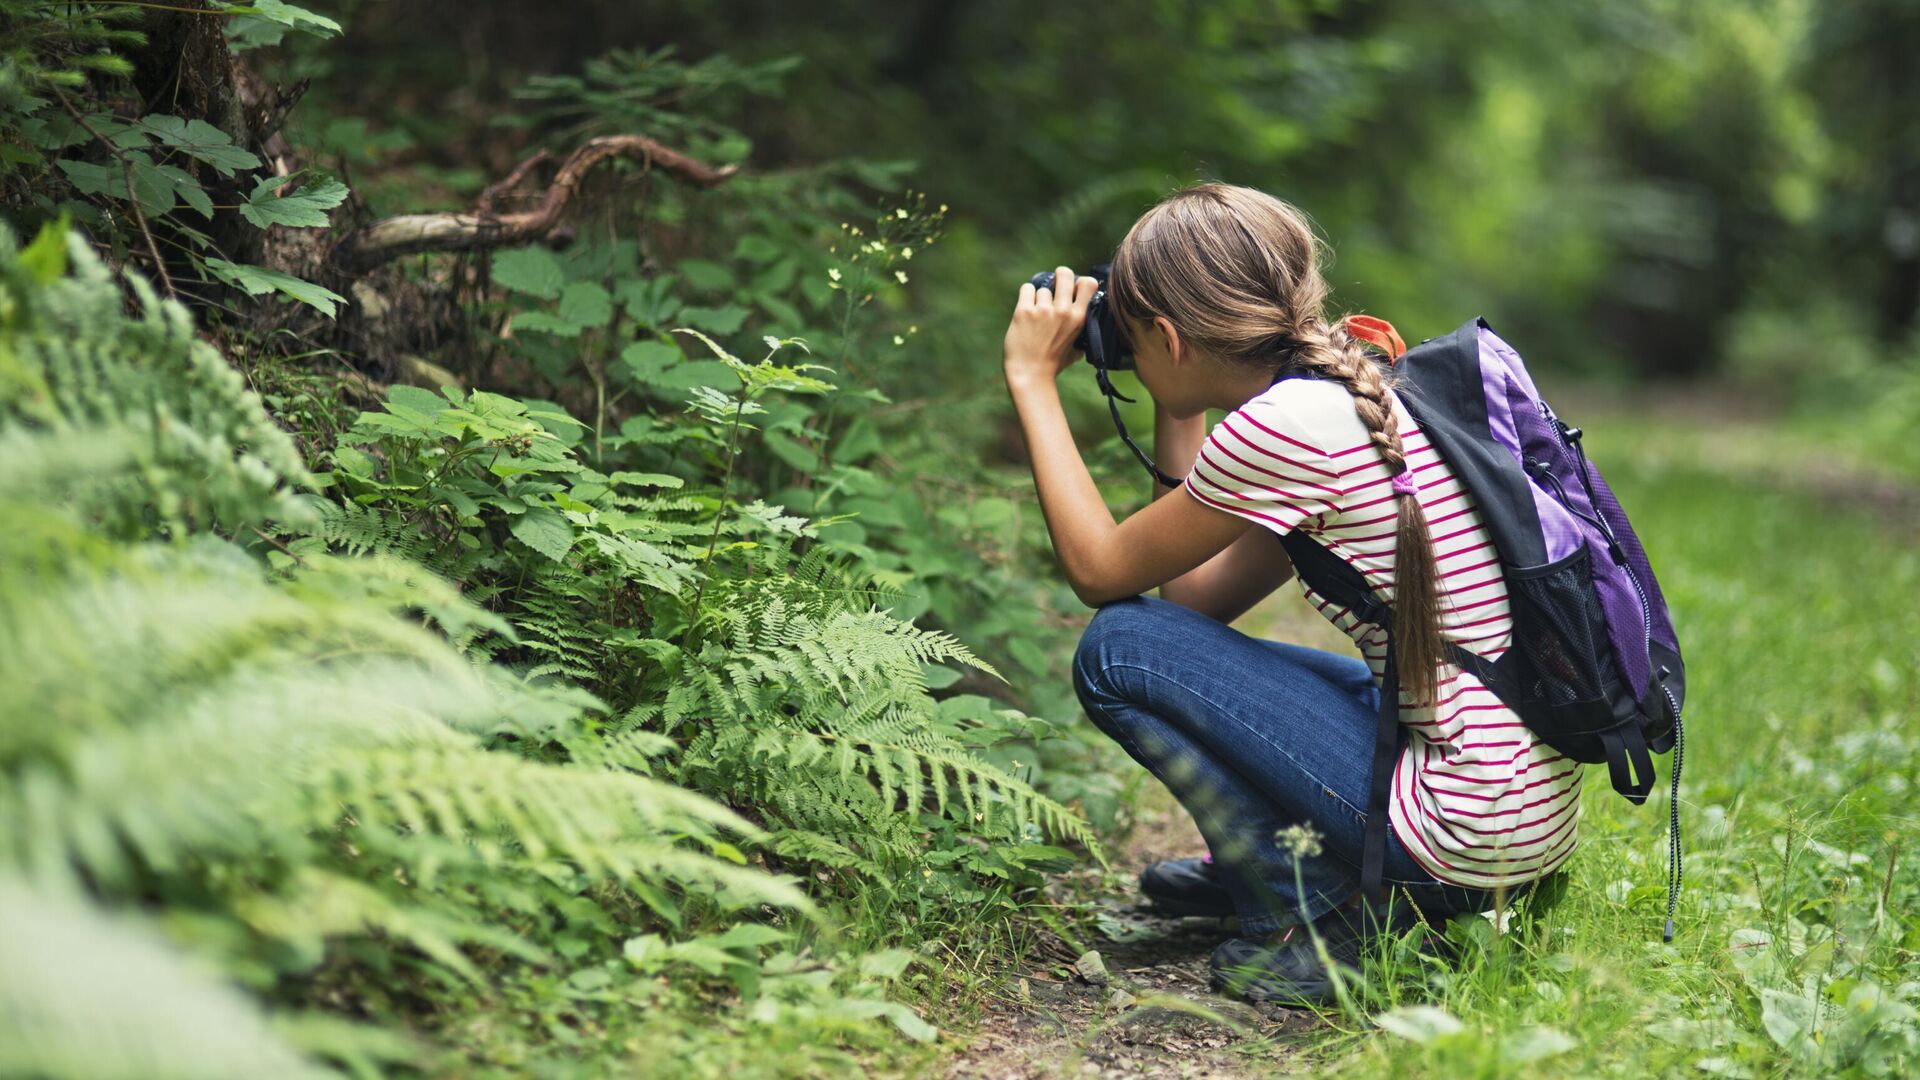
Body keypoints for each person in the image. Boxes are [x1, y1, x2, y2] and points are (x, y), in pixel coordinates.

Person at [999, 182, 1573, 1004]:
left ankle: (1311, 913)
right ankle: (1308, 862)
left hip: (1469, 830)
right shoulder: (1352, 391)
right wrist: (1176, 397)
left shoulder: (1284, 428)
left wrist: (1032, 380)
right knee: (1229, 661)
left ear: (1168, 334)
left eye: (1136, 337)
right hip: (1519, 816)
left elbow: (1100, 574)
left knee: (1116, 647)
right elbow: (1194, 603)